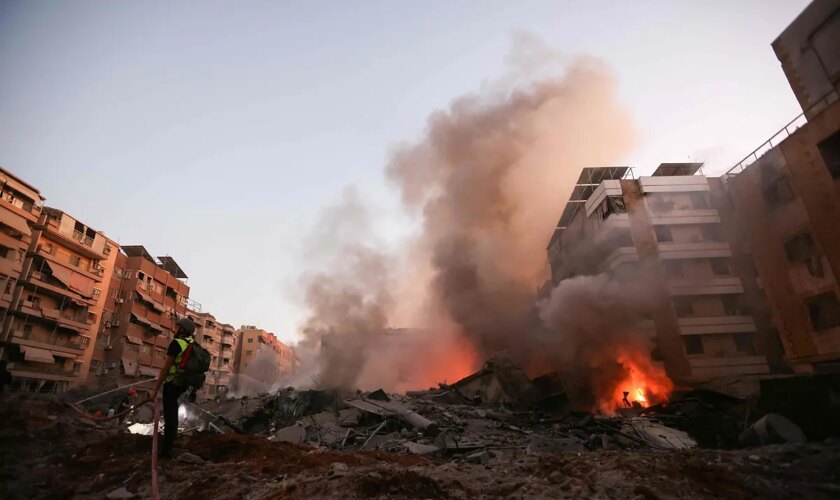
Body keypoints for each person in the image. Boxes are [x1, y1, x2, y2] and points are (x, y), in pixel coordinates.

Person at [150, 317, 197, 459]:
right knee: (173, 414)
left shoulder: (176, 343)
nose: (173, 330)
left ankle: (166, 450)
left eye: (176, 328)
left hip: (172, 383)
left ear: (182, 330)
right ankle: (169, 443)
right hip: (183, 384)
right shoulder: (192, 343)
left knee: (170, 416)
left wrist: (155, 389)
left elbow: (165, 369)